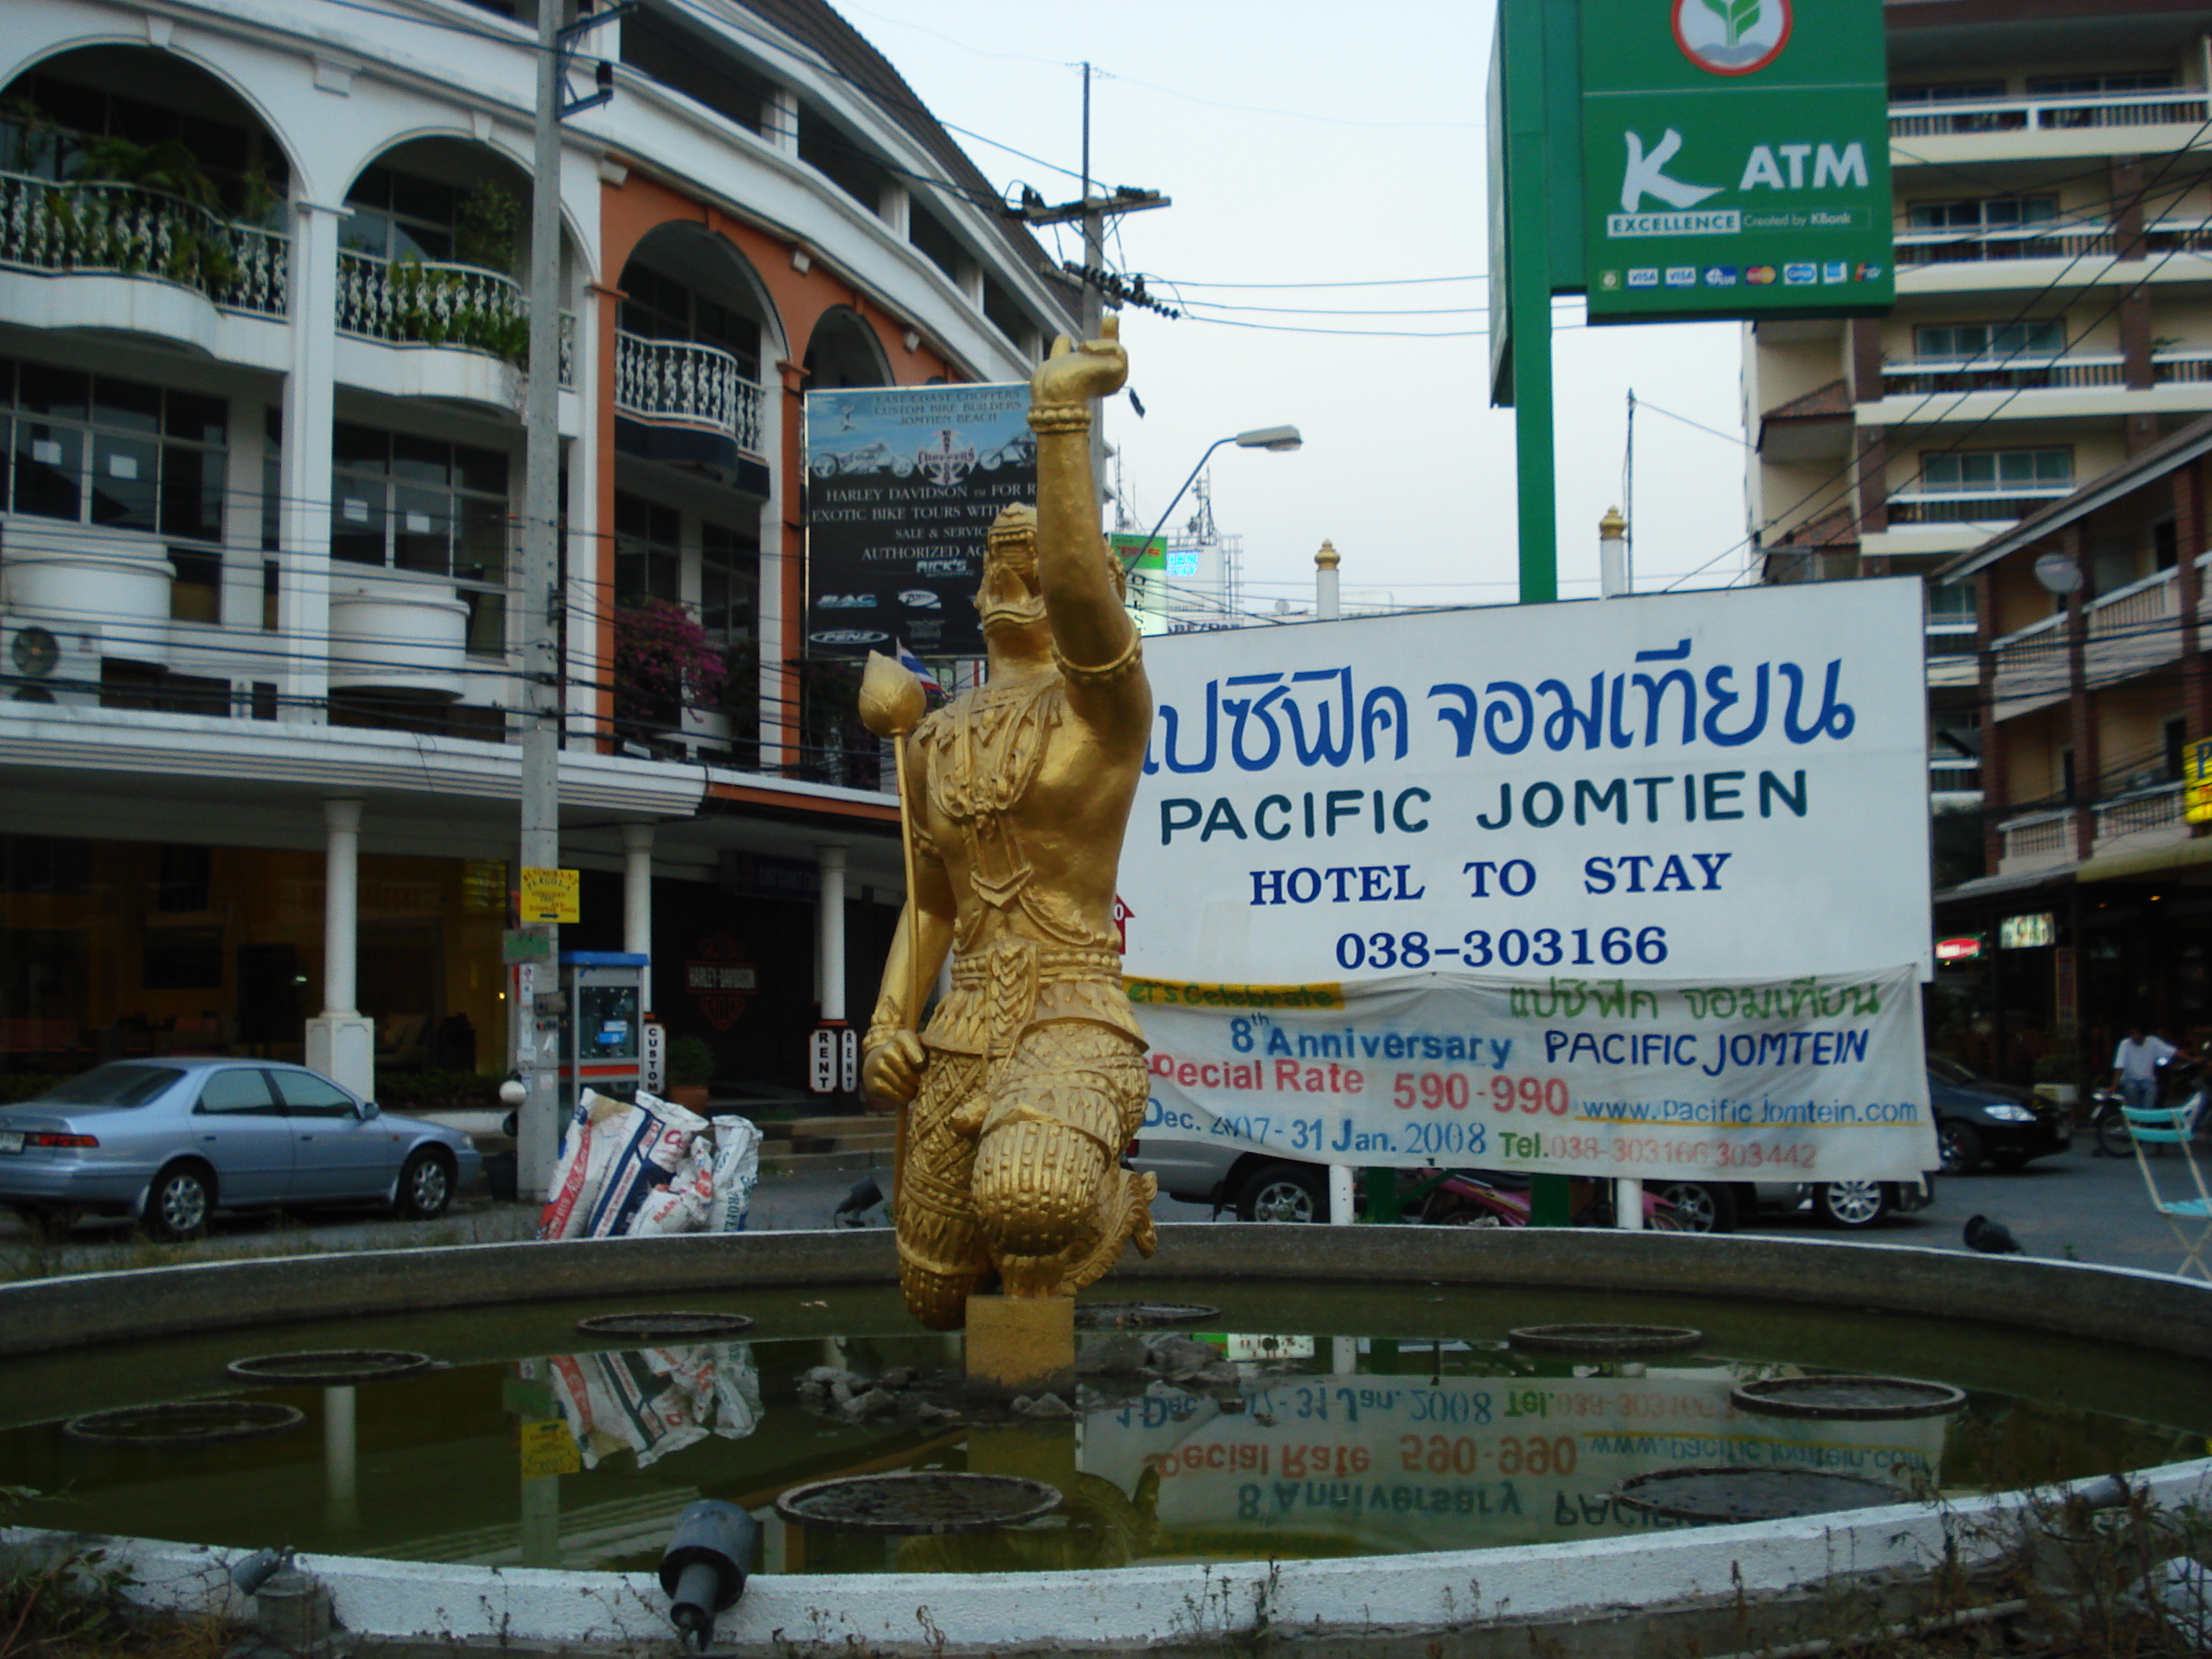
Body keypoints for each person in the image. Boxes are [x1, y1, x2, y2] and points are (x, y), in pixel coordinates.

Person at [860, 317, 1156, 1331]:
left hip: (1073, 1018)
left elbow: (1078, 597)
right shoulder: (935, 736)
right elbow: (931, 904)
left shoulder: (1103, 716)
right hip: (967, 1022)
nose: (1013, 578)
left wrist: (1061, 417)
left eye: (1034, 567)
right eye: (1002, 563)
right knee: (935, 1294)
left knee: (1030, 1201)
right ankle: (995, 1418)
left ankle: (1035, 1431)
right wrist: (889, 1024)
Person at [2110, 1022, 2185, 1119]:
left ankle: (2146, 1119)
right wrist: (2114, 1085)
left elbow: (2173, 1051)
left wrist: (2193, 1060)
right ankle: (2135, 1117)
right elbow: (2119, 1065)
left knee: (2153, 1093)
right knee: (2131, 1090)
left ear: (2144, 1035)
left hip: (2148, 1079)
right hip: (2130, 1079)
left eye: (2138, 1034)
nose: (2135, 1036)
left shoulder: (2153, 1042)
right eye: (2133, 1034)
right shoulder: (2125, 1044)